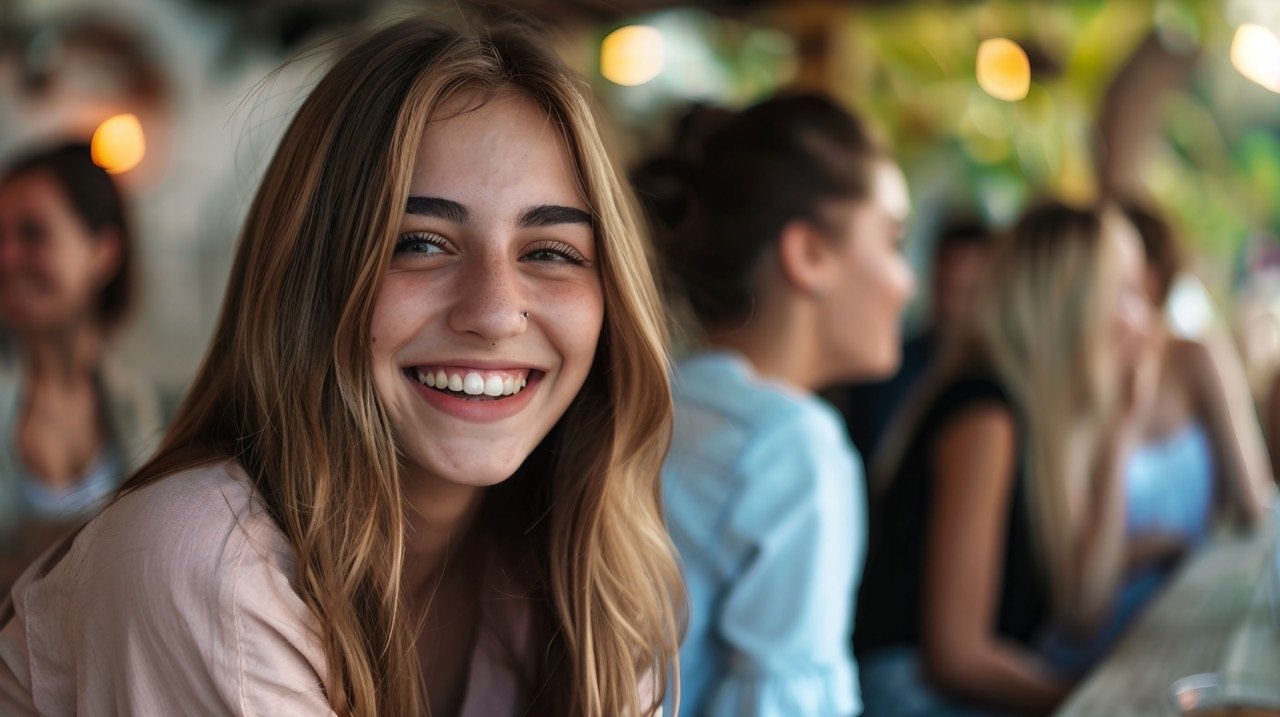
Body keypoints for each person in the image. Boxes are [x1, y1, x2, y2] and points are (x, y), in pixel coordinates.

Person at [0, 19, 681, 716]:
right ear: (311, 277)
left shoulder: (589, 582)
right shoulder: (205, 556)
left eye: (551, 252)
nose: (496, 312)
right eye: (420, 242)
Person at [658, 93, 915, 716]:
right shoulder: (792, 446)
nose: (907, 281)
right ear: (809, 256)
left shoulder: (667, 402)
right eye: (892, 240)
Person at [856, 202, 1152, 715]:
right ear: (1072, 305)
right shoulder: (985, 415)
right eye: (1125, 292)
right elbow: (957, 655)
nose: (1140, 318)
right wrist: (1099, 705)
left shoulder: (1043, 421)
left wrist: (1120, 432)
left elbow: (1084, 607)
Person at [1039, 201, 1275, 676]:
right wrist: (1162, 544)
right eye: (1119, 288)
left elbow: (1254, 501)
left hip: (1180, 608)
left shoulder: (1197, 355)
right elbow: (1074, 590)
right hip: (1095, 639)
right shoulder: (1072, 390)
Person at [0, 142, 162, 590]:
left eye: (32, 233)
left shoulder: (156, 402)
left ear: (103, 251)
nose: (6, 258)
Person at [831, 217, 994, 462]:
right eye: (947, 287)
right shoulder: (886, 368)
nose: (953, 307)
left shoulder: (990, 387)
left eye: (967, 292)